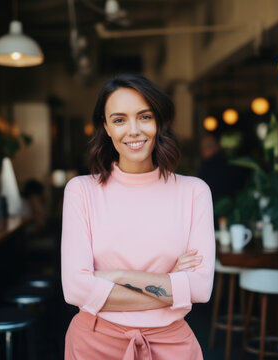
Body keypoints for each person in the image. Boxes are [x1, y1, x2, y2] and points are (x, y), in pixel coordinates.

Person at [61, 73, 215, 359]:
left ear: (158, 121)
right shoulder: (81, 191)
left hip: (172, 345)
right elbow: (75, 291)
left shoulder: (194, 192)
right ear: (106, 127)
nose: (133, 130)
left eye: (144, 116)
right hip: (94, 343)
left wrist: (115, 277)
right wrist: (170, 282)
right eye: (119, 120)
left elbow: (201, 288)